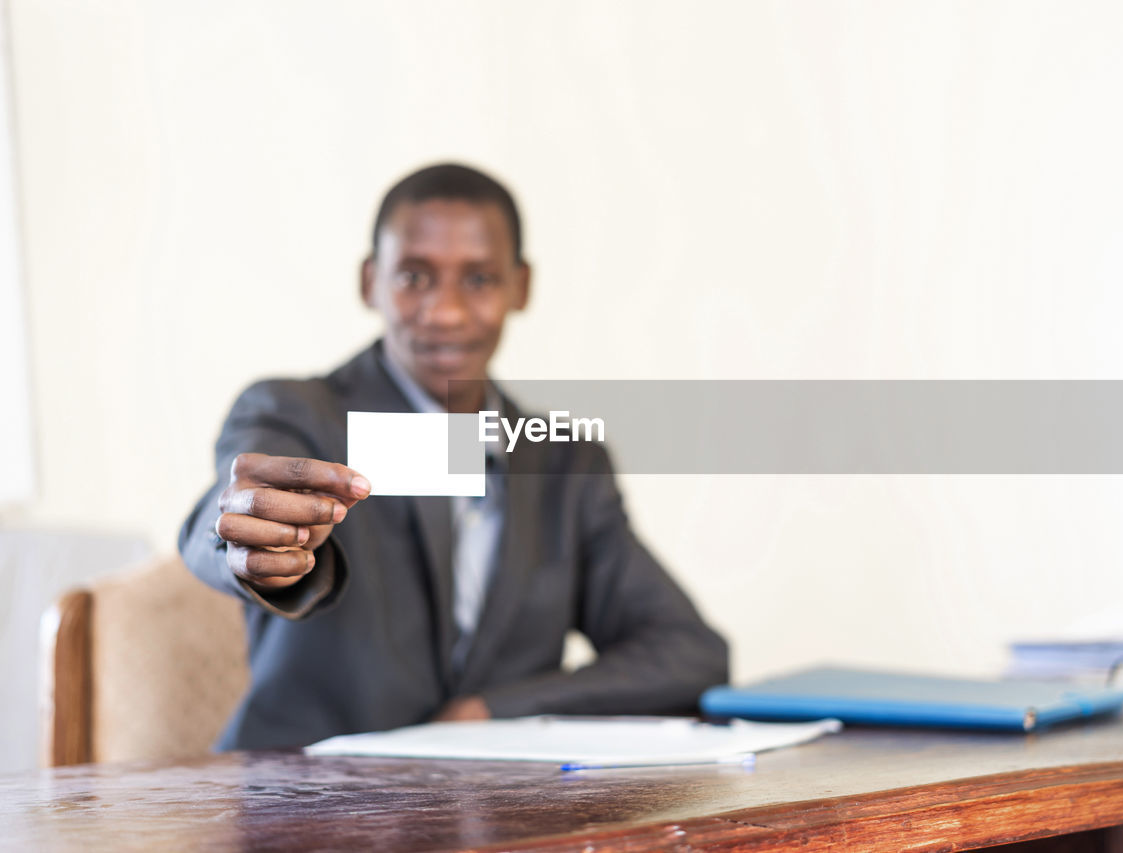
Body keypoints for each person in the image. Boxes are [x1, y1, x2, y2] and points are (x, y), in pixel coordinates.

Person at [179, 163, 729, 750]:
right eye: (414, 276)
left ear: (521, 287)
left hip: (489, 822)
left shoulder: (562, 465)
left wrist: (495, 710)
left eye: (479, 280)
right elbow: (221, 517)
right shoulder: (300, 415)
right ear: (371, 282)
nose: (444, 312)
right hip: (301, 808)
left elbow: (688, 652)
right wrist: (247, 536)